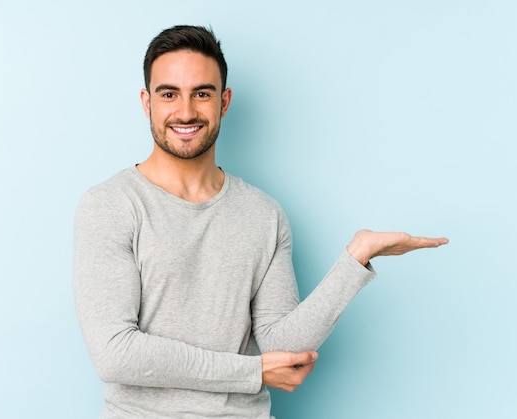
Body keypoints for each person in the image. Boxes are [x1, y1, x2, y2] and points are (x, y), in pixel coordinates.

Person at [72, 25, 448, 419]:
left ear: (225, 101)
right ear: (147, 102)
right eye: (170, 94)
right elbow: (115, 354)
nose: (185, 111)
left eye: (202, 93)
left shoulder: (264, 214)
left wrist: (354, 260)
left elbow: (280, 348)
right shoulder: (109, 205)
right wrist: (250, 371)